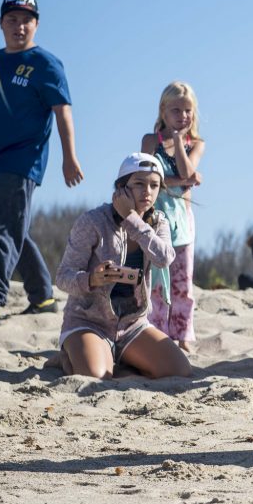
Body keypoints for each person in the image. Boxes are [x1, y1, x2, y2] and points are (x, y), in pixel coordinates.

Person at [0, 0, 84, 330]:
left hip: (23, 159)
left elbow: (62, 111)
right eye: (12, 19)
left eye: (26, 20)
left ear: (36, 24)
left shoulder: (45, 64)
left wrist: (69, 157)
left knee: (1, 231)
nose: (19, 26)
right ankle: (42, 296)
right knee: (12, 229)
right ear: (1, 24)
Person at [54, 154, 191, 379]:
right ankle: (70, 356)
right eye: (139, 184)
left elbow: (164, 258)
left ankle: (118, 357)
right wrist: (91, 279)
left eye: (154, 185)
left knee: (179, 370)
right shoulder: (93, 221)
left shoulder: (158, 222)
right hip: (88, 322)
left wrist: (132, 219)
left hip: (132, 325)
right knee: (96, 375)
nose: (147, 191)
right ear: (121, 188)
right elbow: (63, 277)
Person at [139, 81, 206, 351]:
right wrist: (182, 180)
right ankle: (155, 332)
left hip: (182, 222)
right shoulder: (149, 141)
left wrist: (179, 142)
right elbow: (145, 177)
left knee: (182, 282)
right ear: (163, 111)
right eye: (176, 110)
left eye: (188, 110)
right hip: (154, 218)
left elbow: (188, 172)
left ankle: (182, 334)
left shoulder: (196, 144)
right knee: (154, 281)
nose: (183, 116)